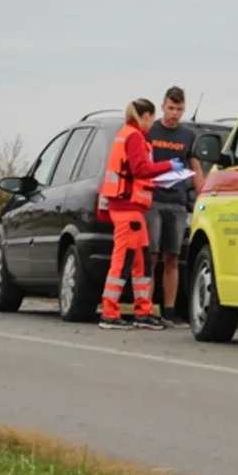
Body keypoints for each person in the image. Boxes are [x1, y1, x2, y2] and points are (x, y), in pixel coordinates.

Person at [98, 98, 179, 331]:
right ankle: (110, 312)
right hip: (127, 209)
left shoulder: (129, 135)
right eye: (151, 118)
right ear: (145, 116)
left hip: (133, 209)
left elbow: (136, 173)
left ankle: (143, 310)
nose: (152, 123)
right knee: (123, 260)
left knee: (142, 261)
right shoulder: (134, 136)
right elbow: (140, 169)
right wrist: (167, 167)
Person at [145, 86, 204, 327]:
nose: (175, 113)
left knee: (173, 256)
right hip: (153, 200)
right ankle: (144, 307)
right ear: (162, 106)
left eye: (179, 109)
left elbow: (196, 167)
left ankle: (168, 309)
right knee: (152, 256)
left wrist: (201, 196)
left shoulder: (188, 136)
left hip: (178, 202)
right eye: (171, 108)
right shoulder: (151, 131)